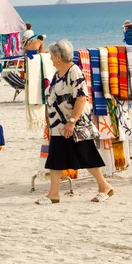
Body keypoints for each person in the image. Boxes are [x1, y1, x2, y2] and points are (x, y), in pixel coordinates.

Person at [35, 39, 113, 205]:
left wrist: (72, 121)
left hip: (74, 125)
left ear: (58, 57)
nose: (49, 59)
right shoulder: (58, 74)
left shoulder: (74, 71)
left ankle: (104, 186)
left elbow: (82, 97)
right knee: (55, 158)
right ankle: (53, 194)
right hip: (59, 127)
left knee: (87, 155)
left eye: (51, 55)